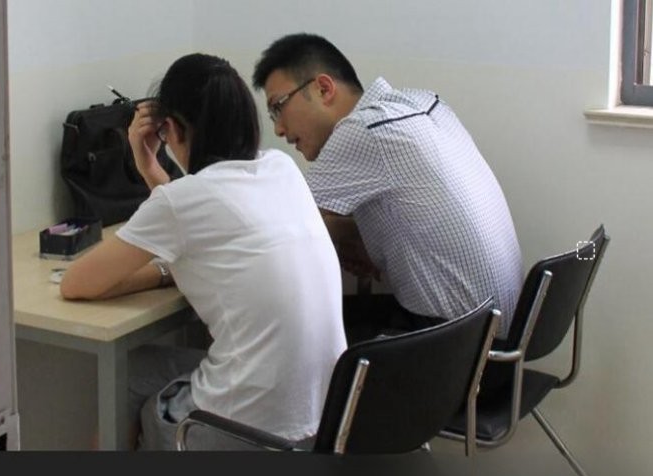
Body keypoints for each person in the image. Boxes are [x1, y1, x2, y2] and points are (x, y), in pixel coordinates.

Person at [60, 53, 346, 450]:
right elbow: (195, 221)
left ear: (173, 128)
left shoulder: (184, 201)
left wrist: (162, 269)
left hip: (246, 435)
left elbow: (76, 284)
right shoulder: (281, 168)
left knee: (123, 376)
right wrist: (152, 172)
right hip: (324, 422)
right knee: (147, 366)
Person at [252, 33, 523, 343]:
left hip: (457, 345)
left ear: (323, 88)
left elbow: (280, 226)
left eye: (278, 107)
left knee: (304, 335)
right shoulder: (425, 103)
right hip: (501, 334)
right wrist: (362, 236)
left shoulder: (364, 129)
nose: (278, 129)